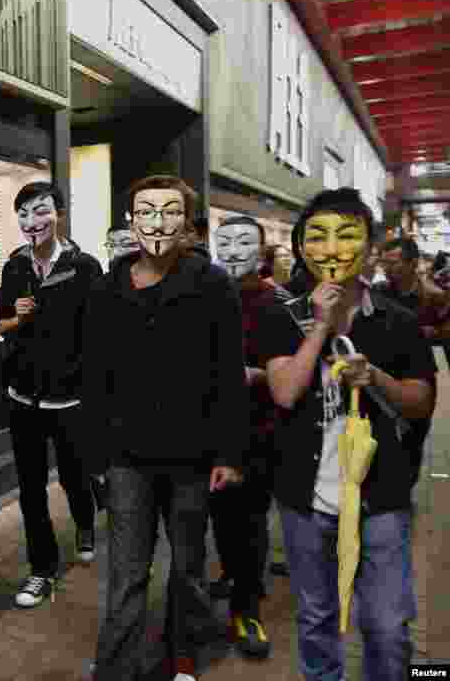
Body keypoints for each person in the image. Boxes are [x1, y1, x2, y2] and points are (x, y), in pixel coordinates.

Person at [258, 188, 436, 681]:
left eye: (347, 235)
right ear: (302, 248)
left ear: (370, 247)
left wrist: (374, 376)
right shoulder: (281, 314)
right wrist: (319, 327)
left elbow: (421, 401)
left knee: (387, 626)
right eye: (317, 237)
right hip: (304, 496)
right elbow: (285, 392)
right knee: (317, 618)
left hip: (381, 496)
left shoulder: (398, 321)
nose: (331, 249)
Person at [81, 175, 245, 681]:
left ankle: (184, 655)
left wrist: (229, 453)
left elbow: (227, 373)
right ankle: (115, 667)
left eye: (170, 211)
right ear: (131, 220)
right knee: (126, 571)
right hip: (125, 457)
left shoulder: (212, 284)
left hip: (192, 456)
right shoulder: (106, 287)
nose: (157, 223)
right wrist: (95, 455)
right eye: (146, 212)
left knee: (188, 566)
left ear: (187, 223)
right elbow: (94, 375)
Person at [0, 182, 101, 609]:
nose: (31, 221)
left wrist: (90, 388)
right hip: (23, 398)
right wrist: (16, 319)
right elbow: (1, 324)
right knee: (30, 488)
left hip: (69, 399)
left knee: (75, 477)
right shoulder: (14, 266)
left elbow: (98, 335)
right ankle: (42, 569)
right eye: (23, 213)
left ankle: (86, 523)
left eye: (40, 211)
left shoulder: (84, 267)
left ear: (58, 214)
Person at [208, 215, 281, 659]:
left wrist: (256, 375)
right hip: (209, 434)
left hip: (258, 434)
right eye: (226, 242)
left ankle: (247, 609)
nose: (233, 251)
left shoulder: (276, 304)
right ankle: (233, 574)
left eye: (243, 242)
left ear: (261, 250)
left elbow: (294, 375)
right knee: (221, 518)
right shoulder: (205, 295)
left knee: (251, 523)